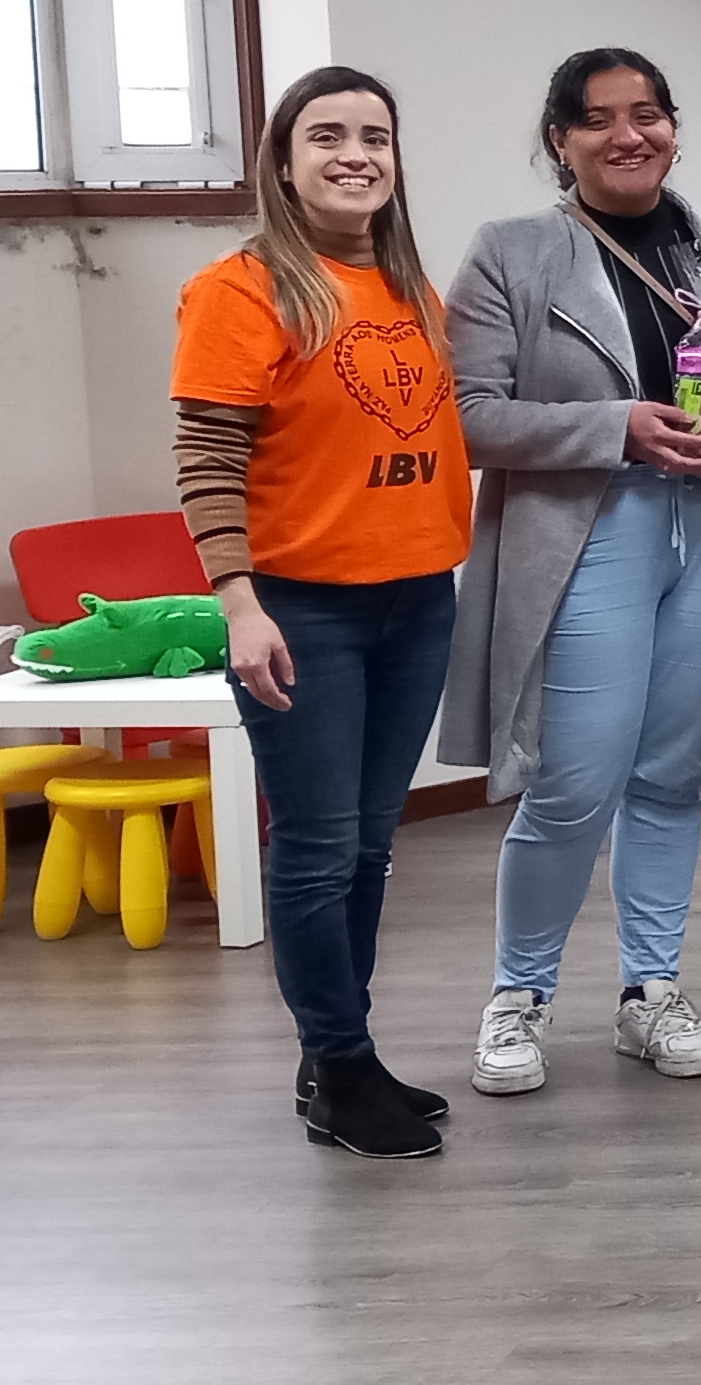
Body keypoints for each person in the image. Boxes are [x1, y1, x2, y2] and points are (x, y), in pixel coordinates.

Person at [440, 50, 701, 1095]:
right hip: (592, 530)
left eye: (648, 114)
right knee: (574, 782)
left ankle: (651, 993)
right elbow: (467, 416)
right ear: (559, 141)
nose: (629, 135)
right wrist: (616, 427)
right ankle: (518, 997)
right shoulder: (512, 253)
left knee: (669, 777)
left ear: (673, 128)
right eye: (599, 119)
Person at [171, 65, 469, 1159]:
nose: (356, 155)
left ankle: (340, 1055)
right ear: (284, 163)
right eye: (328, 136)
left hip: (417, 600)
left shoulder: (412, 289)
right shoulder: (241, 290)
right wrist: (238, 605)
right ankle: (341, 1070)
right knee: (315, 847)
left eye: (374, 137)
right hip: (301, 609)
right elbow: (208, 456)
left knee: (370, 846)